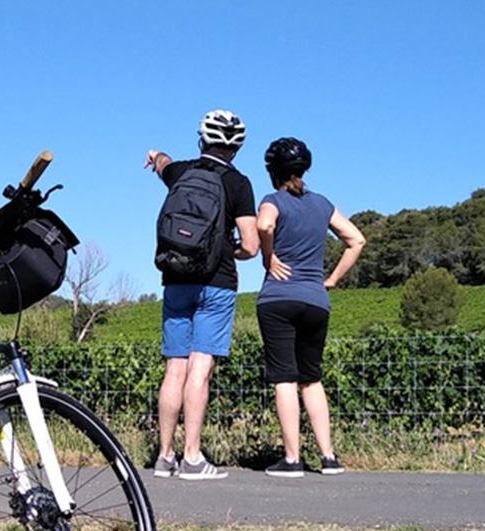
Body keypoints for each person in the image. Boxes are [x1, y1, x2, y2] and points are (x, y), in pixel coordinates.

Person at [145, 110, 259, 480]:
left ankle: (165, 457)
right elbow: (253, 245)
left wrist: (157, 155)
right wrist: (233, 250)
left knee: (174, 367)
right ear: (237, 147)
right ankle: (193, 457)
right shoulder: (239, 184)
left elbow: (162, 164)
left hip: (176, 277)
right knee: (201, 367)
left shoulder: (180, 172)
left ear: (202, 139)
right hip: (217, 280)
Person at [256, 137, 366, 478]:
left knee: (285, 380)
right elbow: (356, 239)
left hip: (278, 298)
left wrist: (269, 257)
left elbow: (263, 224)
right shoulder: (322, 205)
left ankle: (292, 459)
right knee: (312, 380)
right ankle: (328, 456)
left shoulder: (273, 201)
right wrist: (331, 279)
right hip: (316, 301)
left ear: (273, 172)